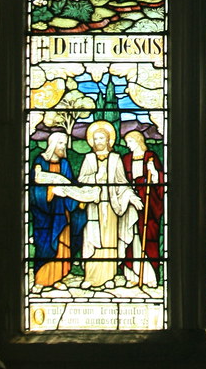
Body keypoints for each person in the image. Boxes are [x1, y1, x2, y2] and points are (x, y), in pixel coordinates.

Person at [77, 121, 143, 289]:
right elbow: (82, 181)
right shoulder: (88, 158)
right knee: (91, 239)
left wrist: (131, 196)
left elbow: (123, 183)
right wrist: (96, 177)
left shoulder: (115, 159)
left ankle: (108, 277)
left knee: (109, 242)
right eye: (95, 138)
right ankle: (90, 277)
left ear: (108, 140)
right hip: (93, 207)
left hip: (113, 207)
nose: (98, 141)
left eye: (101, 138)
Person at [29, 131, 86, 291]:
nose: (64, 147)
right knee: (45, 245)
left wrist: (79, 198)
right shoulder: (40, 162)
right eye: (61, 143)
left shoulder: (65, 164)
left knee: (62, 246)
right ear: (52, 144)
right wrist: (50, 192)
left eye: (65, 143)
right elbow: (34, 191)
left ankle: (57, 278)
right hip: (45, 216)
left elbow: (71, 185)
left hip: (62, 213)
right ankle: (40, 280)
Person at [121, 130, 164, 288]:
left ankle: (150, 276)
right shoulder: (126, 159)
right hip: (131, 201)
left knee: (149, 237)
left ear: (138, 141)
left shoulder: (150, 157)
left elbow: (160, 181)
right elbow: (121, 180)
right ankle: (132, 275)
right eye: (127, 142)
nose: (128, 145)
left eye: (130, 142)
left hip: (149, 202)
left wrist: (153, 172)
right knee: (131, 238)